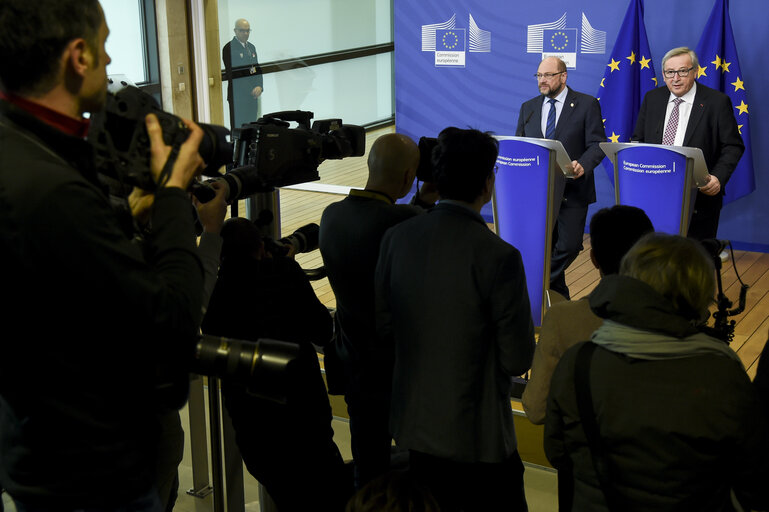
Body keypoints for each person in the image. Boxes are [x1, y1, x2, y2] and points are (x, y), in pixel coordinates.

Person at [0, 1, 206, 510]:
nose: (111, 59)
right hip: (92, 475)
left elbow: (54, 269)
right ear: (79, 57)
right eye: (105, 44)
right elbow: (172, 317)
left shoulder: (19, 150)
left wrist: (122, 221)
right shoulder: (52, 189)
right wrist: (174, 195)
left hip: (35, 451)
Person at [545, 233, 769, 511]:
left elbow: (558, 451)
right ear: (701, 289)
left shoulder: (578, 362)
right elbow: (752, 475)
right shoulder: (723, 371)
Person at [375, 127, 536, 512]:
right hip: (479, 443)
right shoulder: (499, 257)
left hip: (414, 432)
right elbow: (517, 359)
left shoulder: (396, 238)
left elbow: (383, 330)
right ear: (487, 183)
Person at [201, 217, 352, 512]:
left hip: (255, 430)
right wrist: (281, 268)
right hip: (305, 419)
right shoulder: (284, 273)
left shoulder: (216, 297)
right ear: (261, 247)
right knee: (331, 495)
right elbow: (322, 330)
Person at [319, 133, 432, 489]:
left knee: (368, 465)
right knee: (420, 468)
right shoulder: (404, 221)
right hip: (401, 370)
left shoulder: (331, 216)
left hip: (353, 363)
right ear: (407, 178)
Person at [521, 205, 653, 425]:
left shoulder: (561, 320)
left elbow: (537, 409)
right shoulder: (678, 319)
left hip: (586, 453)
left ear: (593, 258)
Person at [516, 56, 606, 300]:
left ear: (563, 76)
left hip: (573, 191)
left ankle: (531, 283)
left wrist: (583, 165)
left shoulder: (587, 104)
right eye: (539, 76)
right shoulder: (529, 107)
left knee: (568, 245)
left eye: (548, 75)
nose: (542, 81)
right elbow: (521, 147)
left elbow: (598, 145)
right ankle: (557, 301)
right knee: (545, 248)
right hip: (538, 194)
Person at [632, 47, 744, 240]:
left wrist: (717, 177)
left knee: (694, 257)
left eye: (682, 71)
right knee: (655, 252)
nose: (676, 78)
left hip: (698, 195)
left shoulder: (716, 102)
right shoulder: (653, 99)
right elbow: (638, 139)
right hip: (656, 189)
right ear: (664, 75)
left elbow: (733, 146)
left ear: (695, 72)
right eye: (670, 72)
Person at [223, 18, 263, 129]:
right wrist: (251, 89)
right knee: (239, 129)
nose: (245, 33)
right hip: (238, 97)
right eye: (242, 30)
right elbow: (234, 74)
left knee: (251, 127)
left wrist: (259, 86)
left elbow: (257, 69)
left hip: (253, 97)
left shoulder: (251, 47)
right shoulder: (229, 48)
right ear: (235, 31)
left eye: (248, 30)